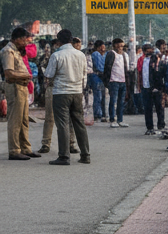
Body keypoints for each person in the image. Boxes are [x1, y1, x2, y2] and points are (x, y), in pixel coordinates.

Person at [44, 29, 90, 165]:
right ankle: (85, 155)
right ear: (71, 39)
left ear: (58, 41)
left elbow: (49, 74)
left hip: (61, 92)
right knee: (79, 123)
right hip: (77, 92)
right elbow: (84, 74)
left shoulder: (56, 55)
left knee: (62, 124)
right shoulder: (81, 55)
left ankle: (64, 156)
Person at [2, 27, 38, 159]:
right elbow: (8, 72)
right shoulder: (8, 51)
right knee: (15, 120)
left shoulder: (17, 50)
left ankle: (25, 148)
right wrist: (24, 75)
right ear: (16, 39)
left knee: (24, 120)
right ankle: (14, 150)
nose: (25, 42)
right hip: (15, 86)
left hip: (22, 86)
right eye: (23, 39)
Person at [103, 37, 131, 127]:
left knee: (121, 101)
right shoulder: (111, 54)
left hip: (123, 81)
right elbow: (107, 68)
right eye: (119, 45)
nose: (120, 47)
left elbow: (127, 69)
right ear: (115, 45)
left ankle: (120, 119)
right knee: (113, 100)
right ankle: (112, 119)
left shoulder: (125, 55)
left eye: (122, 46)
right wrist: (107, 81)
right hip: (113, 81)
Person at [89, 40, 107, 122]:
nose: (103, 49)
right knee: (98, 95)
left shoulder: (104, 55)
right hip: (96, 76)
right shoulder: (95, 54)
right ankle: (98, 114)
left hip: (101, 77)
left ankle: (102, 113)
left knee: (102, 96)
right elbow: (100, 66)